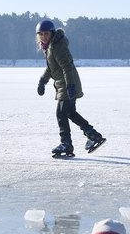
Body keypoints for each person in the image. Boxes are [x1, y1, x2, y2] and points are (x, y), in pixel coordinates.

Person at [35, 19, 105, 159]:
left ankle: (66, 144)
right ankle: (93, 136)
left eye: (46, 33)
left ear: (52, 32)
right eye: (41, 34)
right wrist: (42, 81)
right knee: (70, 113)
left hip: (67, 84)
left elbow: (67, 67)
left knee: (61, 113)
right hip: (65, 84)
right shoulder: (49, 47)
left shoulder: (57, 46)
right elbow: (52, 68)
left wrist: (70, 86)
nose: (43, 36)